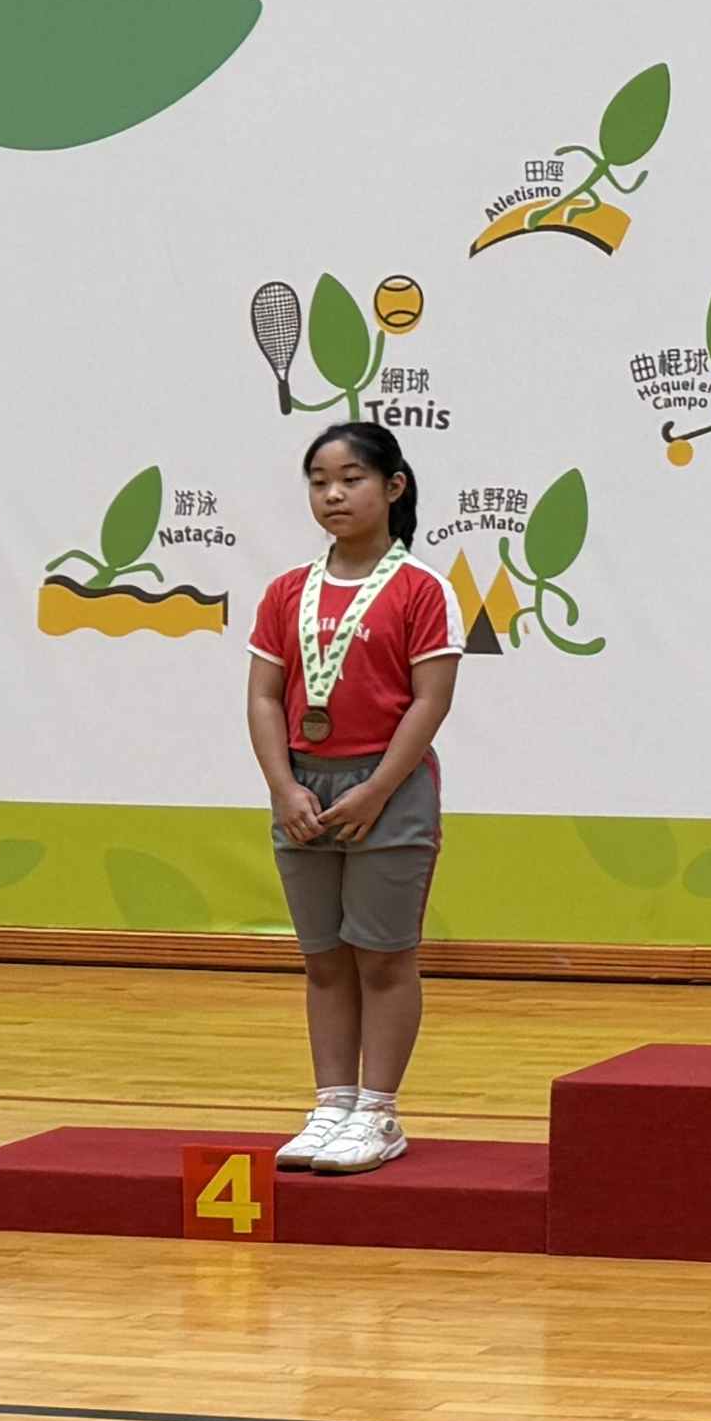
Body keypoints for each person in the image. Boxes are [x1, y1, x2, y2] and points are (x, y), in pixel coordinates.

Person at [246, 421, 460, 1177]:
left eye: (351, 479)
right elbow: (265, 697)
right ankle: (331, 1104)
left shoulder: (421, 589)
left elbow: (430, 701)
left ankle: (378, 1112)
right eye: (318, 481)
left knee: (383, 958)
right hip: (304, 790)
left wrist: (375, 790)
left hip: (388, 789)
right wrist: (283, 788)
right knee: (324, 959)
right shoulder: (286, 591)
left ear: (393, 487)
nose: (333, 494)